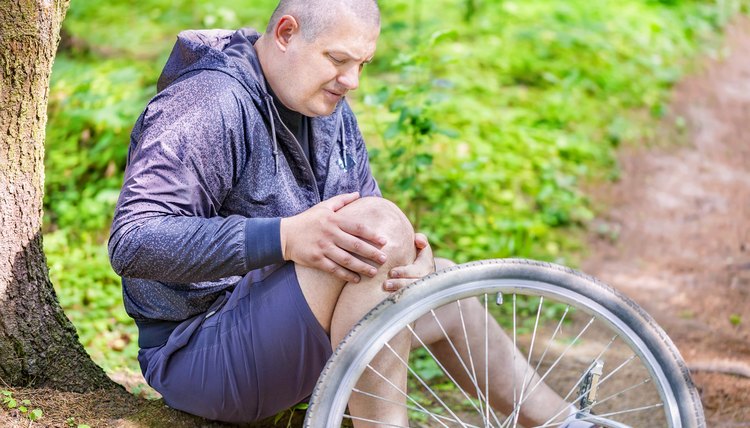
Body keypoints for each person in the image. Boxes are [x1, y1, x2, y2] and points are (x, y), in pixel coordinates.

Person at [109, 0, 596, 426]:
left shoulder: (328, 108)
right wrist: (284, 237)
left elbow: (374, 224)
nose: (353, 81)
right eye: (339, 60)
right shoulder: (210, 101)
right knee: (377, 231)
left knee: (443, 285)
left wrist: (414, 267)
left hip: (279, 329)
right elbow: (133, 240)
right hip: (198, 353)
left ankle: (562, 424)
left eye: (362, 63)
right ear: (286, 33)